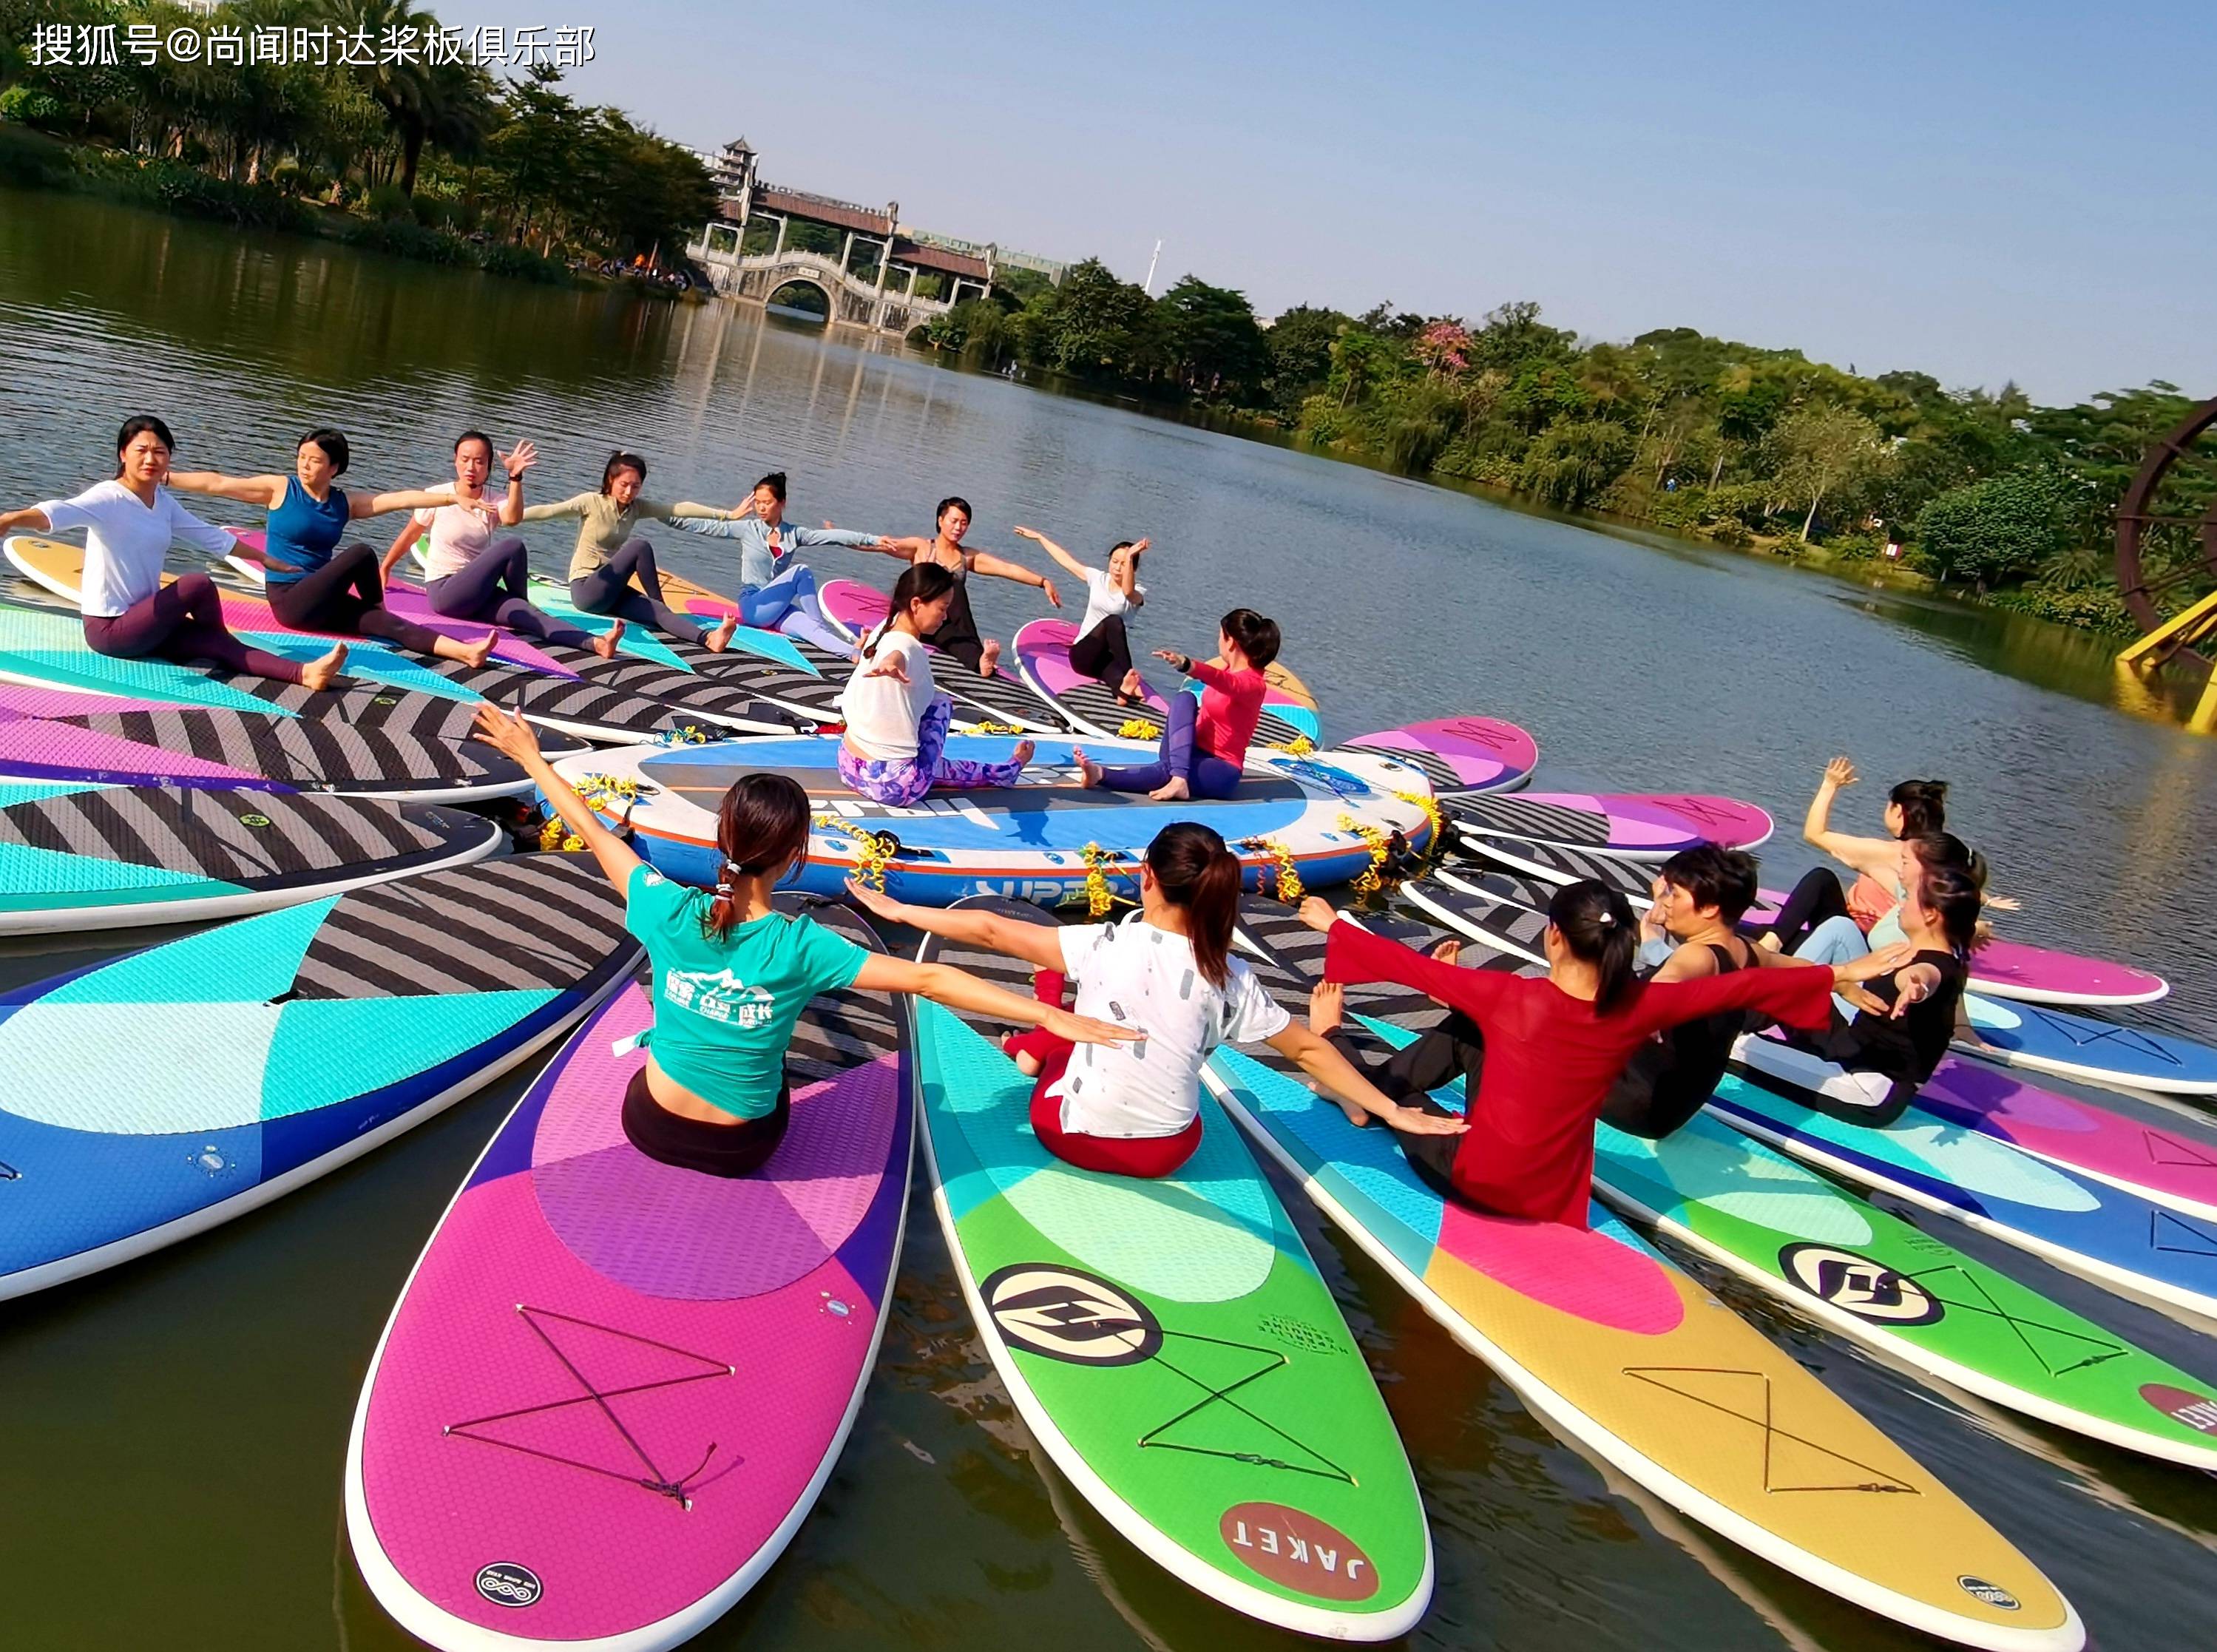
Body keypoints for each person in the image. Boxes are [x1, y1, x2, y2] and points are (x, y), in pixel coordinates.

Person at [468, 701, 1135, 1178]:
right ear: (795, 858)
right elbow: (932, 980)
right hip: (742, 1150)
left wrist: (530, 755)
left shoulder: (664, 905)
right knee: (776, 1072)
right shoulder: (805, 946)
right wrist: (1050, 1016)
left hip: (650, 1126)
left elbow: (593, 831)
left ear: (722, 838)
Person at [846, 822, 1463, 1179]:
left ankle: (1035, 1039)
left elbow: (989, 931)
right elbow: (1307, 1051)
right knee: (1103, 1030)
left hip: (1075, 1137)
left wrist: (900, 910)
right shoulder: (1231, 975)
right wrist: (1394, 1110)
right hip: (1170, 1152)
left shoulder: (1105, 942)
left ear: (1147, 877)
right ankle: (1048, 1026)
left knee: (1067, 1036)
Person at [1299, 880, 1911, 1228]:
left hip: (1475, 1181)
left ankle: (1341, 1065)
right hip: (1550, 1198)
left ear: (1554, 936)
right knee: (1474, 1027)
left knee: (1415, 1080)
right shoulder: (1637, 1007)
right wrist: (1837, 974)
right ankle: (1357, 1086)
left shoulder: (1511, 996)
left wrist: (1333, 924)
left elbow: (1399, 963)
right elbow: (1743, 987)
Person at [0, 416, 349, 691]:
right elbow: (59, 511)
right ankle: (221, 645)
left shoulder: (162, 501)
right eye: (141, 450)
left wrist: (266, 560)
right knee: (197, 585)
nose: (150, 459)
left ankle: (306, 673)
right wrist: (12, 519)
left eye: (160, 452)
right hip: (111, 629)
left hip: (147, 620)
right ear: (123, 454)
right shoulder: (108, 497)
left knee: (216, 638)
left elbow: (208, 535)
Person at [167, 428, 494, 668]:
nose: (305, 466)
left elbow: (400, 499)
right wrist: (166, 478)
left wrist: (452, 498)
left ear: (333, 468)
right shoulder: (281, 489)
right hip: (290, 601)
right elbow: (218, 483)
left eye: (315, 461)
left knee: (391, 625)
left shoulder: (343, 503)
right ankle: (377, 607)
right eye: (302, 458)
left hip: (323, 599)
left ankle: (467, 652)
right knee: (362, 553)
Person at [1759, 839, 1986, 1125]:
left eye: (1910, 898)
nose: (1902, 903)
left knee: (1738, 1049)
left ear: (1930, 914)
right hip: (1848, 1051)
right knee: (1790, 990)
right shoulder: (1917, 951)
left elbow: (1926, 976)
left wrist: (1916, 985)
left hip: (1867, 1089)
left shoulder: (1935, 965)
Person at [379, 430, 622, 660]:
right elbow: (411, 534)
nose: (471, 467)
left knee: (531, 615)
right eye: (465, 460)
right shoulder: (437, 495)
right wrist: (385, 568)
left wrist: (515, 478)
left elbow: (512, 518)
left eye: (479, 462)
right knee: (512, 546)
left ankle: (597, 644)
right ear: (455, 461)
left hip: (478, 592)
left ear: (489, 466)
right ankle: (521, 603)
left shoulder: (494, 500)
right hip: (445, 593)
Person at [837, 563, 1037, 805]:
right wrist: (891, 662)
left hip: (849, 766)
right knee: (941, 703)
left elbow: (895, 651)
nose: (945, 617)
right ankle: (1007, 771)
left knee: (926, 716)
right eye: (942, 609)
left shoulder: (885, 627)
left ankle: (1003, 771)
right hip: (892, 787)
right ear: (916, 604)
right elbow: (899, 653)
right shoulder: (907, 646)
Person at [521, 450, 742, 651]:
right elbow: (548, 511)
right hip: (587, 589)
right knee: (639, 547)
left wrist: (727, 515)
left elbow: (678, 509)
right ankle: (659, 602)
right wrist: (508, 517)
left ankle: (708, 639)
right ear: (611, 480)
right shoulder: (591, 502)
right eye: (624, 484)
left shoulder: (636, 508)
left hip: (612, 590)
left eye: (636, 486)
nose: (629, 492)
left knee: (658, 612)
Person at [671, 470, 898, 651]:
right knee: (801, 572)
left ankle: (854, 652)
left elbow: (835, 537)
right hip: (753, 607)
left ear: (782, 503)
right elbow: (706, 527)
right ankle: (821, 624)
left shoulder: (794, 534)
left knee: (809, 629)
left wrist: (874, 539)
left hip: (777, 609)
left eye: (767, 502)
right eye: (758, 502)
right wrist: (666, 516)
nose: (761, 507)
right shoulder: (747, 529)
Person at [1076, 608, 1276, 802]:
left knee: (1167, 770)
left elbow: (1224, 681)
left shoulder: (1253, 684)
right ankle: (1178, 776)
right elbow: (1219, 680)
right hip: (1189, 752)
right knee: (1185, 698)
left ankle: (1102, 775)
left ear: (1230, 642)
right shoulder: (1228, 669)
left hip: (1221, 769)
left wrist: (1187, 664)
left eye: (1219, 636)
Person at [1759, 759, 1959, 951]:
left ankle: (1772, 944)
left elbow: (1814, 834)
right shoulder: (1946, 857)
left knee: (1821, 879)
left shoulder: (1888, 853)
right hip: (1878, 939)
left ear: (1898, 812)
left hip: (1857, 942)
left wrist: (1829, 785)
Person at [853, 495, 1062, 677]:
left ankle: (980, 659)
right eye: (954, 521)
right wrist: (841, 538)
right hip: (919, 620)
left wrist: (1042, 581)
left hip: (945, 626)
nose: (958, 528)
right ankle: (977, 658)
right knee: (945, 587)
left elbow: (1007, 568)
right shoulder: (921, 547)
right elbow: (883, 546)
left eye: (964, 523)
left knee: (955, 600)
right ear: (940, 520)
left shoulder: (966, 556)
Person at [1012, 524, 1151, 703]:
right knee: (1113, 621)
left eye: (1124, 564)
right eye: (1115, 561)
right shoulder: (1098, 578)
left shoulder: (1137, 593)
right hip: (1083, 654)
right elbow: (1067, 561)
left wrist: (1131, 556)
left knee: (1120, 689)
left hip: (1107, 659)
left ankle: (1123, 690)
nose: (1117, 568)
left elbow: (1128, 592)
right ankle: (1129, 675)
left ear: (1133, 568)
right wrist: (1040, 537)